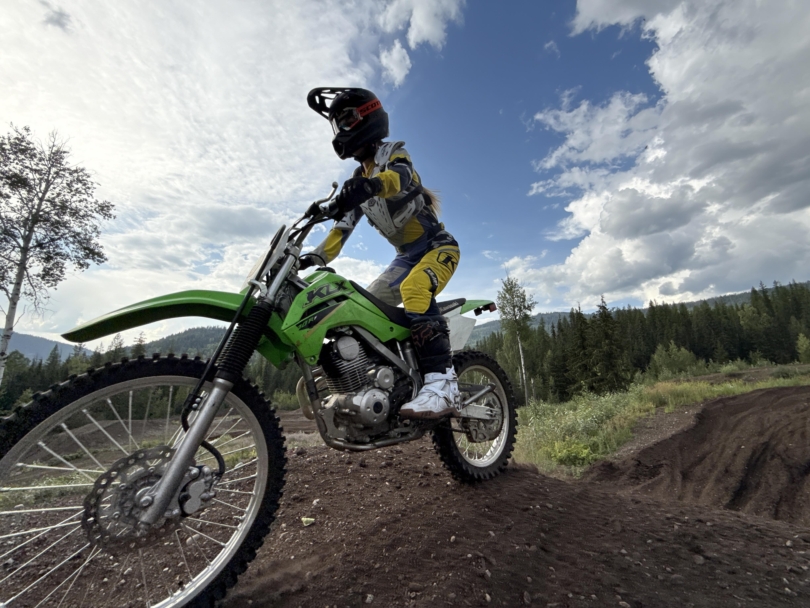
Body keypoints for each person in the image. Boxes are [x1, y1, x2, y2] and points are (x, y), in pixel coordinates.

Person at [303, 87, 461, 419]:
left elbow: (400, 178)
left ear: (369, 116)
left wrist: (372, 185)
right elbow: (341, 230)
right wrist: (311, 258)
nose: (341, 130)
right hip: (405, 256)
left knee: (415, 288)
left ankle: (443, 383)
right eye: (336, 125)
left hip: (437, 246)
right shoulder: (357, 180)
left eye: (346, 120)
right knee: (366, 307)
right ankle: (389, 381)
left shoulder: (393, 154)